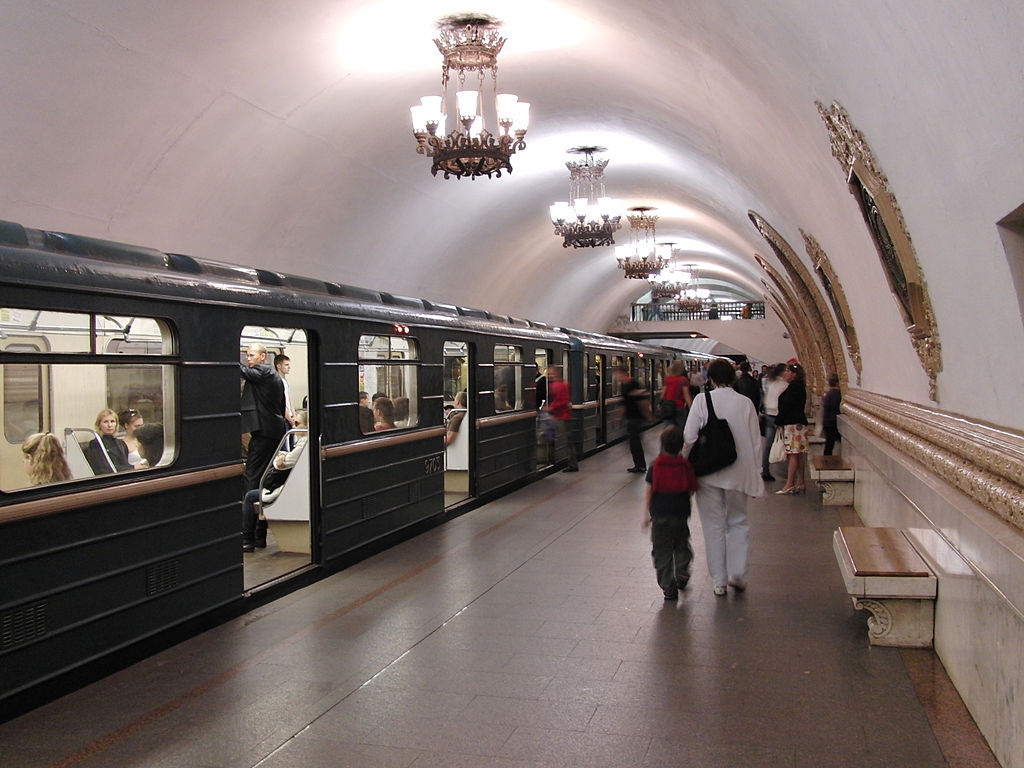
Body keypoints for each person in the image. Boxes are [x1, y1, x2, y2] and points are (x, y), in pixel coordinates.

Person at [683, 359, 764, 595]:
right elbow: (756, 441)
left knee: (713, 526)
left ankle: (719, 581)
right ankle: (737, 574)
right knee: (738, 522)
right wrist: (756, 473)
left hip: (708, 474)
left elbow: (689, 437)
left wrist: (685, 464)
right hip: (739, 473)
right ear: (734, 378)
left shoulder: (701, 401)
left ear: (711, 378)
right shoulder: (746, 403)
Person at [643, 426, 699, 600]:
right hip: (680, 514)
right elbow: (692, 488)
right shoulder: (685, 465)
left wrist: (646, 514)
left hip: (660, 515)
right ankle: (682, 572)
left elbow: (649, 491)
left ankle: (668, 586)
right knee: (681, 544)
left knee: (662, 551)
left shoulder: (655, 466)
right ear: (681, 446)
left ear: (662, 444)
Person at [242, 410, 308, 552]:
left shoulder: (303, 443)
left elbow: (281, 464)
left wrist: (281, 458)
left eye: (297, 424)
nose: (294, 427)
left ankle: (247, 539)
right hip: (294, 487)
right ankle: (259, 537)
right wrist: (283, 457)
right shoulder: (304, 443)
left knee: (250, 497)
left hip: (287, 490)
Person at [240, 343, 287, 492]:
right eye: (247, 355)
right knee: (264, 469)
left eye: (251, 355)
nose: (248, 359)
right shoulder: (272, 375)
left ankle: (250, 505)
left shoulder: (264, 371)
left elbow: (245, 372)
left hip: (265, 432)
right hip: (273, 429)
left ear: (263, 357)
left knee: (253, 471)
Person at [774, 361, 809, 494]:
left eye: (788, 371)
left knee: (793, 454)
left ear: (794, 374)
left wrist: (778, 420)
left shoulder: (794, 388)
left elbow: (787, 406)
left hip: (793, 424)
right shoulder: (798, 386)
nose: (785, 373)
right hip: (799, 423)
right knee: (798, 453)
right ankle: (800, 482)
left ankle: (789, 484)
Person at [615, 366, 650, 473]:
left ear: (623, 373)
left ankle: (641, 466)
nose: (617, 377)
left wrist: (648, 414)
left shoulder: (633, 384)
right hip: (631, 417)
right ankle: (639, 465)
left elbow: (642, 399)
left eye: (618, 374)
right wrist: (619, 417)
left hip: (636, 417)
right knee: (634, 443)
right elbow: (624, 404)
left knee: (635, 443)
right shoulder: (624, 386)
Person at [544, 366, 577, 472]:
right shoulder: (562, 384)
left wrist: (550, 408)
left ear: (557, 374)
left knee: (566, 442)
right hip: (560, 416)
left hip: (562, 417)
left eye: (551, 374)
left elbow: (561, 400)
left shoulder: (559, 386)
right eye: (548, 374)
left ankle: (572, 465)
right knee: (566, 441)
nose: (549, 376)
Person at [760, 363, 788, 481]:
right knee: (784, 443)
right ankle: (786, 470)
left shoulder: (770, 383)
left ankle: (765, 470)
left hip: (769, 415)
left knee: (769, 444)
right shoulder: (784, 385)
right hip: (779, 417)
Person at [85, 408, 133, 474]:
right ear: (99, 425)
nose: (109, 425)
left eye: (112, 421)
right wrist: (133, 467)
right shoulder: (95, 444)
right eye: (105, 422)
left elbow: (125, 464)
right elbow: (104, 468)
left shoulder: (121, 443)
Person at [661, 360, 693, 429]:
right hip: (679, 406)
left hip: (668, 407)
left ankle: (668, 438)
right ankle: (678, 439)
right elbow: (686, 395)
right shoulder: (683, 380)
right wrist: (691, 407)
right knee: (680, 427)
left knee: (668, 427)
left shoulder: (667, 379)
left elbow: (663, 393)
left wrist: (661, 403)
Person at [822, 373, 842, 455]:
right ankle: (827, 459)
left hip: (827, 421)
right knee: (831, 443)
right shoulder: (836, 394)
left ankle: (827, 457)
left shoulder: (829, 393)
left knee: (829, 443)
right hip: (833, 421)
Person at [274, 353, 296, 428]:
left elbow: (289, 399)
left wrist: (294, 416)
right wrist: (290, 420)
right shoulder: (277, 381)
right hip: (284, 418)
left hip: (290, 417)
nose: (289, 367)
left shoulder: (285, 381)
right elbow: (281, 402)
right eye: (286, 365)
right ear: (278, 366)